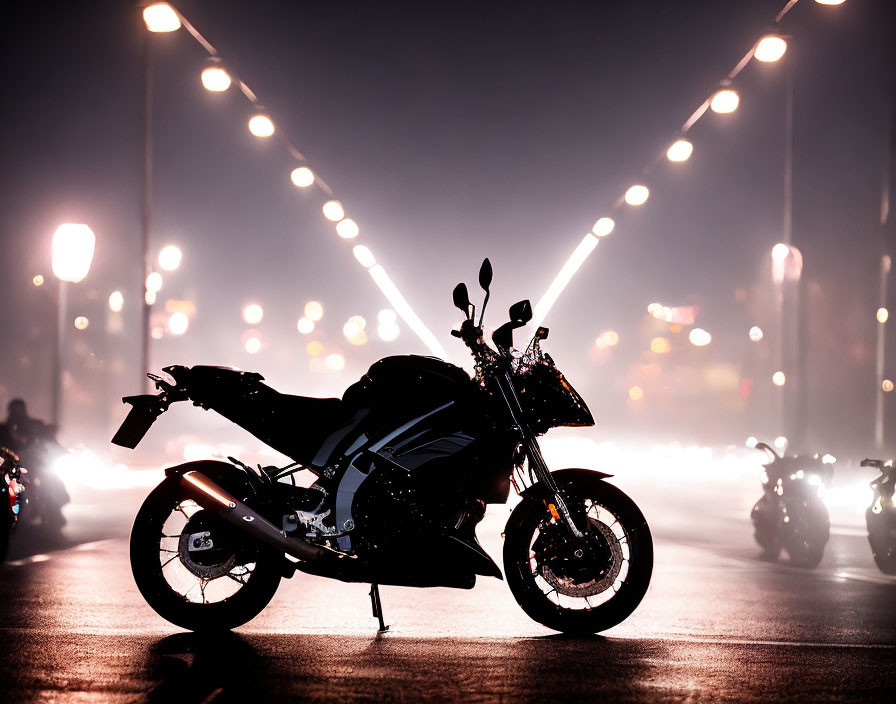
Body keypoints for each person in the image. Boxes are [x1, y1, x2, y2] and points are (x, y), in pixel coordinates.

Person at [0, 399, 68, 531]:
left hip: (36, 465)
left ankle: (54, 512)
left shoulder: (35, 426)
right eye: (15, 410)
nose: (18, 414)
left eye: (20, 410)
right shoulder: (4, 430)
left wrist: (59, 449)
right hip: (14, 467)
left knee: (53, 483)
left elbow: (49, 439)